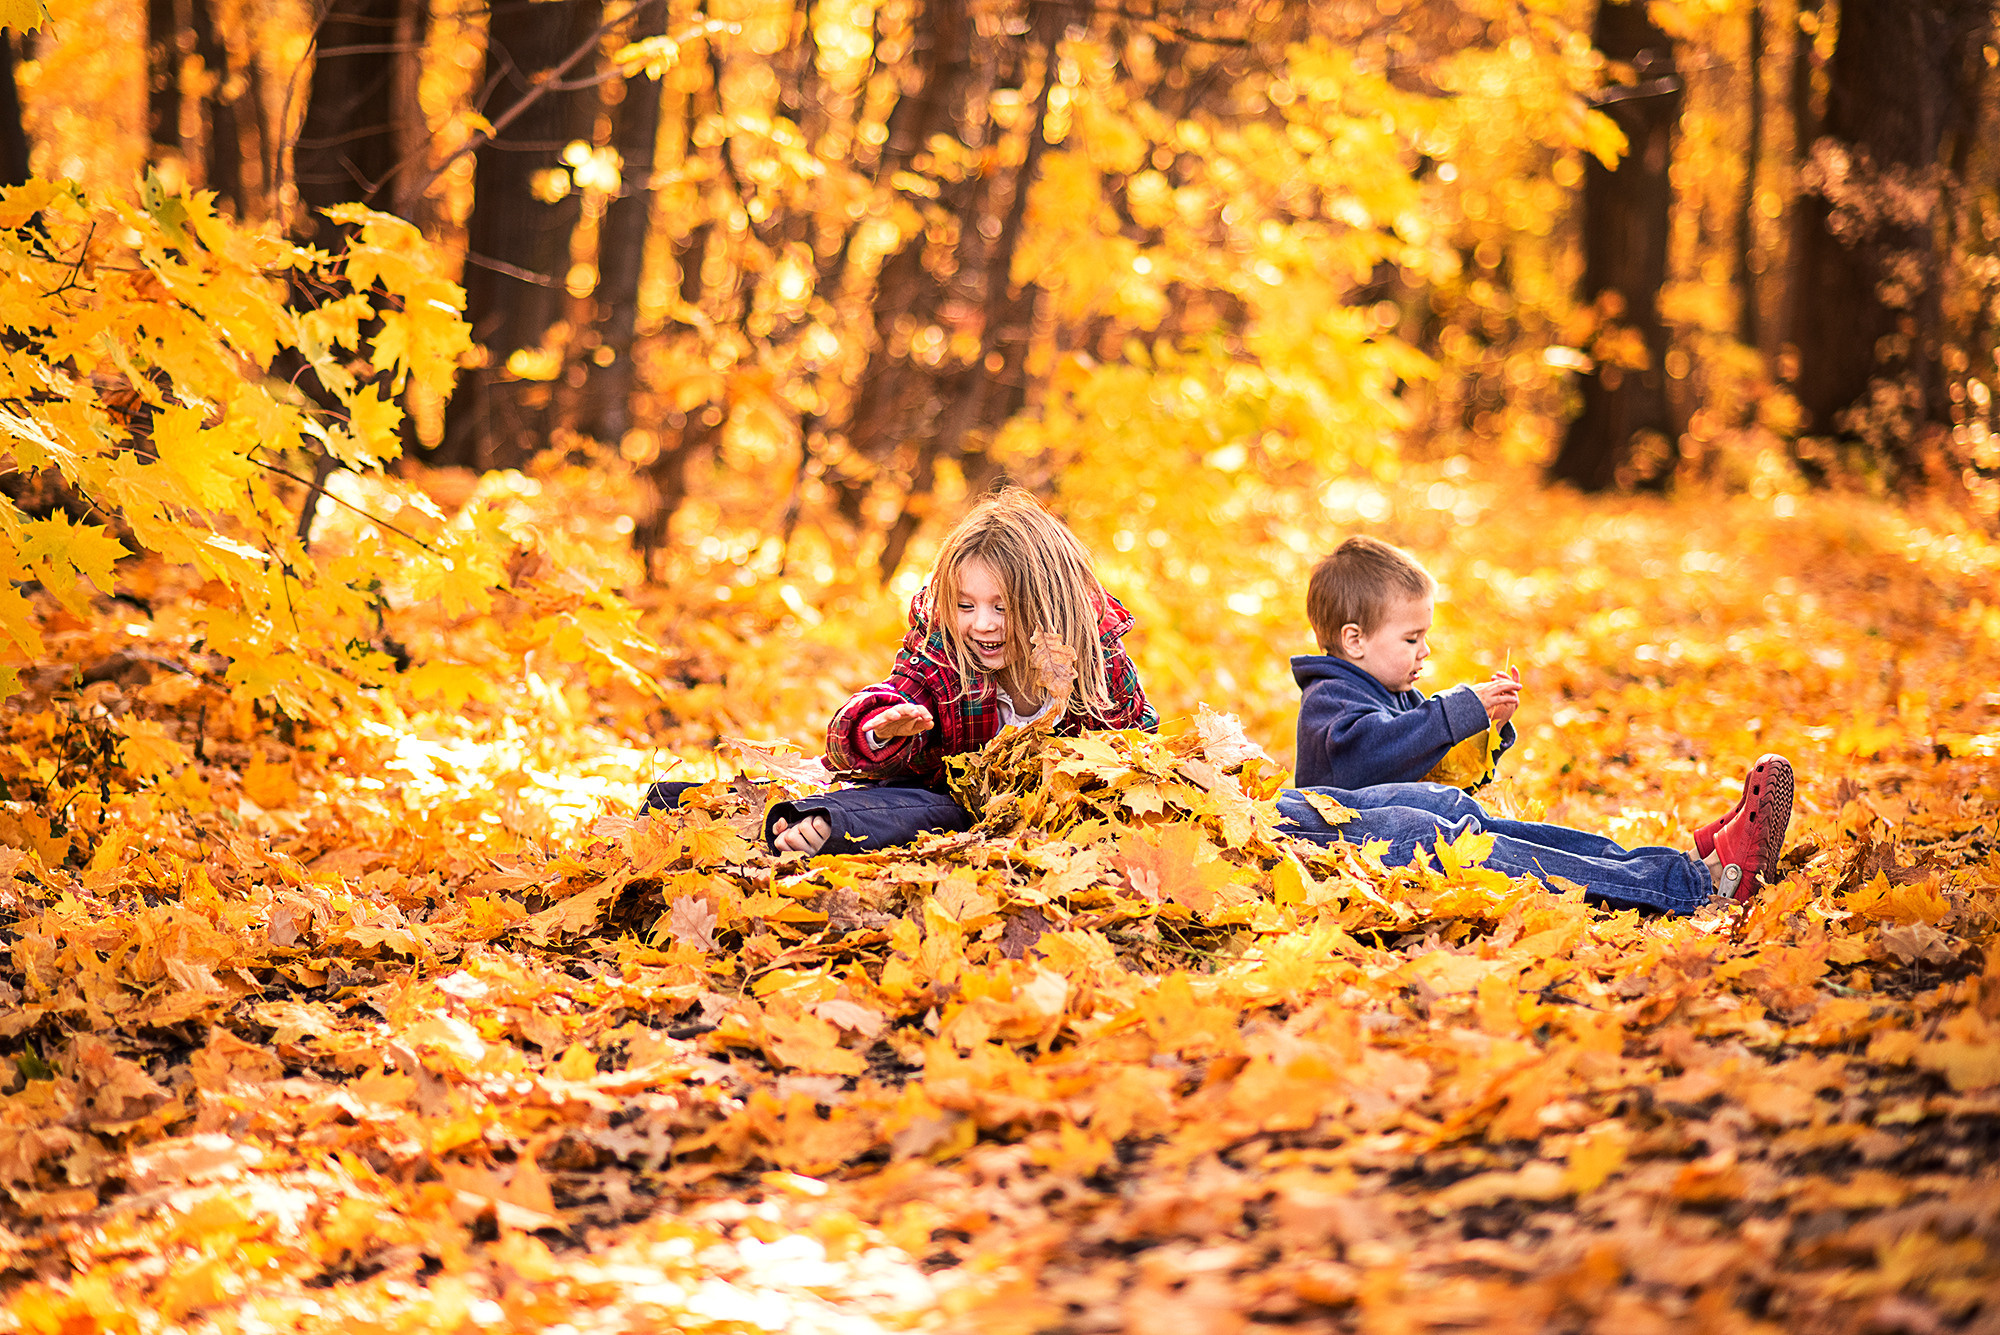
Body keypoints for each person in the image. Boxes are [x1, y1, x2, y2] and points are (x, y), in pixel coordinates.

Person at [1276, 536, 1794, 912]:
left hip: (1383, 827)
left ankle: (1681, 862)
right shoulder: (1330, 699)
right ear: (1354, 640)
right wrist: (1456, 711)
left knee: (1472, 816)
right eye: (1411, 639)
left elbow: (1439, 774)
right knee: (1442, 832)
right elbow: (1367, 756)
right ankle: (1695, 884)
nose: (1425, 650)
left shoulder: (1388, 692)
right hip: (1347, 850)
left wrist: (1484, 733)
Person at [760, 488, 1157, 854]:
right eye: (966, 606)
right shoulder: (945, 649)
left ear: (1048, 604)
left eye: (1001, 608)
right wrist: (879, 730)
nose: (982, 624)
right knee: (932, 811)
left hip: (1052, 816)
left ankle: (831, 819)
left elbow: (1137, 748)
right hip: (944, 802)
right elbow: (885, 703)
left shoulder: (1098, 662)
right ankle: (829, 821)